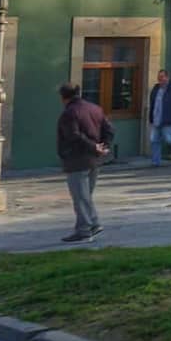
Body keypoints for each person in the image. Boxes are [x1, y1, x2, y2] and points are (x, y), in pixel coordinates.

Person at [56, 82, 114, 243]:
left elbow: (73, 136)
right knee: (86, 196)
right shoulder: (95, 108)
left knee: (80, 197)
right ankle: (93, 223)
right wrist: (104, 147)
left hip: (77, 160)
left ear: (63, 97)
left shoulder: (69, 113)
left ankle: (84, 230)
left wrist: (94, 147)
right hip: (95, 161)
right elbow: (109, 130)